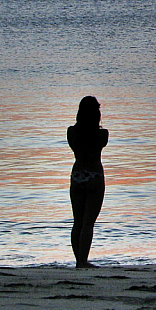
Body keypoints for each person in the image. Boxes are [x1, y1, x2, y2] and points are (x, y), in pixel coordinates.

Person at [67, 96, 108, 268]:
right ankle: (83, 261)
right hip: (95, 176)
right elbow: (97, 146)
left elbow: (76, 146)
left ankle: (79, 260)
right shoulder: (102, 134)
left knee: (77, 221)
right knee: (88, 223)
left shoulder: (72, 132)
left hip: (77, 175)